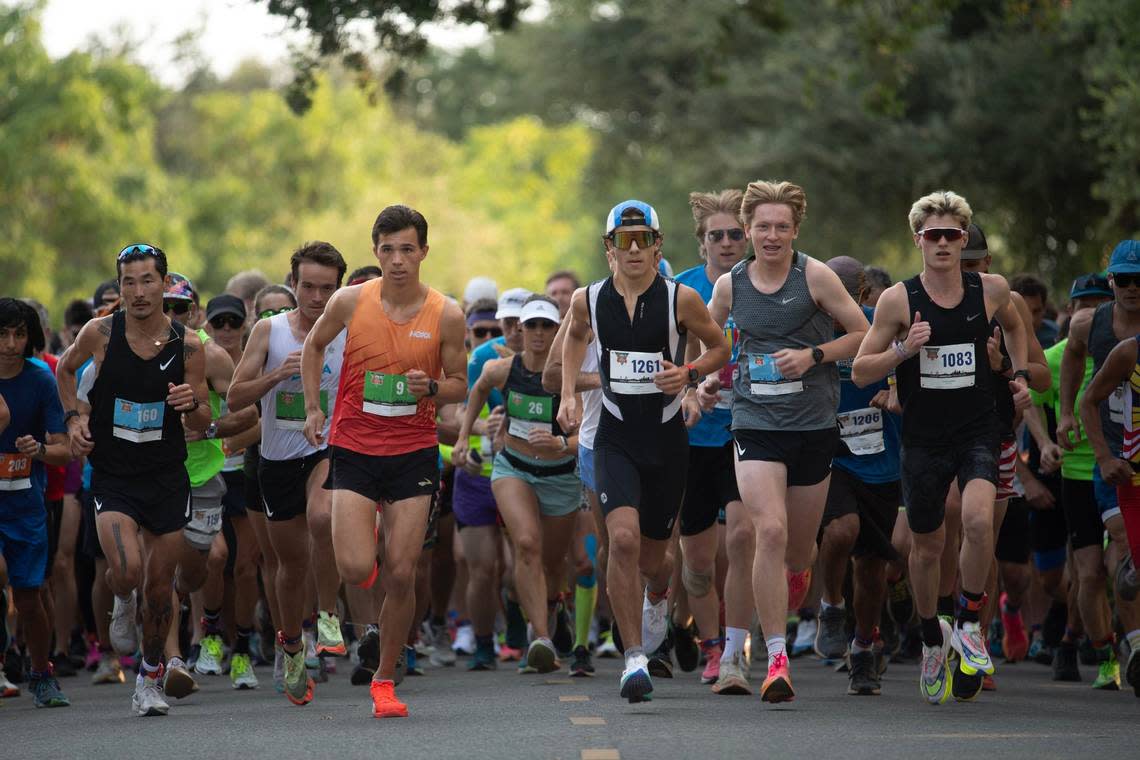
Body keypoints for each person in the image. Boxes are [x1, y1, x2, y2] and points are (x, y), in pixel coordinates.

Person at [853, 191, 1032, 705]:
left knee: (978, 523)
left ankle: (971, 624)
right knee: (928, 547)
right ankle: (933, 637)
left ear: (964, 238)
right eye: (934, 235)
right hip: (923, 439)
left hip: (979, 429)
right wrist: (904, 348)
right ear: (919, 241)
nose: (944, 243)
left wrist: (1015, 372)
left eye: (953, 234)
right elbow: (864, 370)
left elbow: (1018, 326)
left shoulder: (991, 290)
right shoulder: (898, 301)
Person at [699, 180, 869, 704]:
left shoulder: (813, 276)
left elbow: (863, 333)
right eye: (762, 227)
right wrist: (701, 379)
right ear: (749, 231)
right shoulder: (730, 284)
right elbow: (711, 341)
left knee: (798, 553)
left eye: (781, 227)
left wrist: (815, 356)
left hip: (813, 426)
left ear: (795, 229)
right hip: (753, 422)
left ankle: (793, 586)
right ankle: (774, 657)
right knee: (765, 531)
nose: (771, 236)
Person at [558, 199, 731, 703]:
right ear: (608, 247)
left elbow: (719, 347)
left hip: (666, 439)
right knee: (623, 540)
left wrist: (690, 375)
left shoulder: (680, 299)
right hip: (613, 437)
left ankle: (659, 594)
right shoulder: (587, 299)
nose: (633, 249)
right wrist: (569, 393)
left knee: (657, 560)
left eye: (642, 239)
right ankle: (634, 656)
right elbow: (573, 340)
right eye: (623, 240)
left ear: (658, 245)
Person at [301, 204, 467, 719]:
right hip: (354, 446)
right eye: (388, 249)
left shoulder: (447, 312)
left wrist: (434, 388)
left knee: (402, 572)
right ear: (376, 251)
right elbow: (313, 346)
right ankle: (367, 575)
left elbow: (459, 384)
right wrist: (312, 407)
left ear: (423, 252)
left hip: (413, 453)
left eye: (407, 250)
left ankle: (385, 679)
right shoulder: (351, 301)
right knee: (355, 564)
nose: (398, 260)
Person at [57, 243, 213, 717]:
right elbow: (65, 371)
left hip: (167, 475)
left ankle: (148, 678)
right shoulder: (100, 332)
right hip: (115, 474)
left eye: (148, 280)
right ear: (120, 286)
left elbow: (204, 414)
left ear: (165, 285)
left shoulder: (188, 345)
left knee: (160, 587)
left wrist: (191, 403)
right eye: (129, 281)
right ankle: (120, 598)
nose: (139, 291)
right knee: (125, 571)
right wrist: (73, 420)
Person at [227, 241, 348, 706]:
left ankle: (328, 615)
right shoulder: (268, 331)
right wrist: (277, 376)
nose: (317, 298)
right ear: (292, 283)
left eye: (327, 289)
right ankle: (292, 648)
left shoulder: (347, 331)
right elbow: (236, 397)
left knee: (323, 518)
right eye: (309, 287)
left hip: (326, 449)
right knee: (290, 566)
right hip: (276, 461)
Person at [455, 295, 579, 674]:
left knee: (554, 563)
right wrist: (464, 437)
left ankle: (553, 605)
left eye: (546, 326)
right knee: (526, 544)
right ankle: (540, 639)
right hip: (514, 468)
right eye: (532, 326)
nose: (538, 333)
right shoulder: (500, 370)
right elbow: (475, 393)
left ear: (558, 331)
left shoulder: (569, 377)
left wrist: (561, 443)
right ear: (519, 331)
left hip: (561, 475)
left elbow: (588, 435)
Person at [675, 189, 752, 692]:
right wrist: (687, 390)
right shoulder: (679, 290)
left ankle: (735, 648)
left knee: (744, 538)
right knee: (699, 563)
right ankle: (708, 643)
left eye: (734, 235)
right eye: (716, 236)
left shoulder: (765, 284)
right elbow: (668, 358)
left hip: (747, 431)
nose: (726, 243)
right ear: (701, 241)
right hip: (692, 439)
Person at [1058, 239, 1140, 694]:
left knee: (1124, 560)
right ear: (1111, 282)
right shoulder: (1091, 323)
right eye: (1123, 279)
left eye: (1139, 280)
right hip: (1102, 456)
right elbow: (1072, 358)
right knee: (1103, 560)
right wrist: (1066, 412)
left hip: (1133, 455)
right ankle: (1119, 649)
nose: (1132, 288)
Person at [0, 298, 71, 708]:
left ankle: (42, 674)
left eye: (19, 334)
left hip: (26, 503)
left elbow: (64, 451)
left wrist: (39, 449)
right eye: (3, 333)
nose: (11, 343)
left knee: (29, 595)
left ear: (31, 338)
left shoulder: (41, 379)